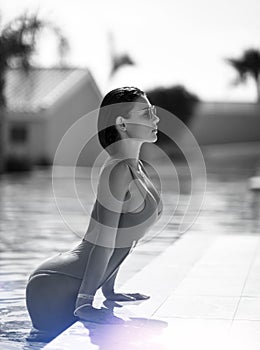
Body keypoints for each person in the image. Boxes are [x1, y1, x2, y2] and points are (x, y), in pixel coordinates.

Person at [25, 87, 163, 336]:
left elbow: (123, 238)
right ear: (122, 123)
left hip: (74, 281)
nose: (156, 119)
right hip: (55, 284)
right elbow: (103, 240)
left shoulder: (136, 168)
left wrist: (109, 290)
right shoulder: (117, 170)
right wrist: (85, 302)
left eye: (153, 112)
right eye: (146, 114)